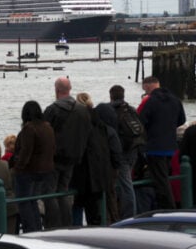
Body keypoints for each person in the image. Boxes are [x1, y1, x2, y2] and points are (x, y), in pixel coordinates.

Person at [43, 77, 91, 228]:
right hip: (74, 157)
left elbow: (45, 135)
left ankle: (54, 225)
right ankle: (67, 223)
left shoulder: (52, 110)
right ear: (69, 89)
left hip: (55, 158)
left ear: (56, 90)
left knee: (50, 192)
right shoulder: (83, 111)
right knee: (63, 191)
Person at [138, 76, 186, 209]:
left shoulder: (151, 101)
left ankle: (169, 210)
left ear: (148, 87)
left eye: (145, 90)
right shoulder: (175, 100)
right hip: (171, 146)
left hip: (154, 146)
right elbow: (182, 120)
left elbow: (140, 121)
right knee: (167, 177)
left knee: (161, 181)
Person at [71, 92, 114, 226]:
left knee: (77, 203)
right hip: (98, 171)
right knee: (94, 207)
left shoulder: (77, 120)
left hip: (82, 170)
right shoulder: (99, 122)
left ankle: (76, 228)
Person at [12, 100, 55, 233]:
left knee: (24, 202)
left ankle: (30, 231)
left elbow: (26, 151)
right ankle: (37, 229)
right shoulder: (47, 126)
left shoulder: (29, 128)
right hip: (45, 171)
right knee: (32, 201)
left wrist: (17, 168)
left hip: (29, 171)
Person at [106, 84, 144, 218]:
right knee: (125, 182)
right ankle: (123, 212)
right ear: (123, 95)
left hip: (120, 152)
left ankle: (129, 215)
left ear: (111, 95)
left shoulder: (110, 110)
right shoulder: (131, 109)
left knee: (126, 184)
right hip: (133, 150)